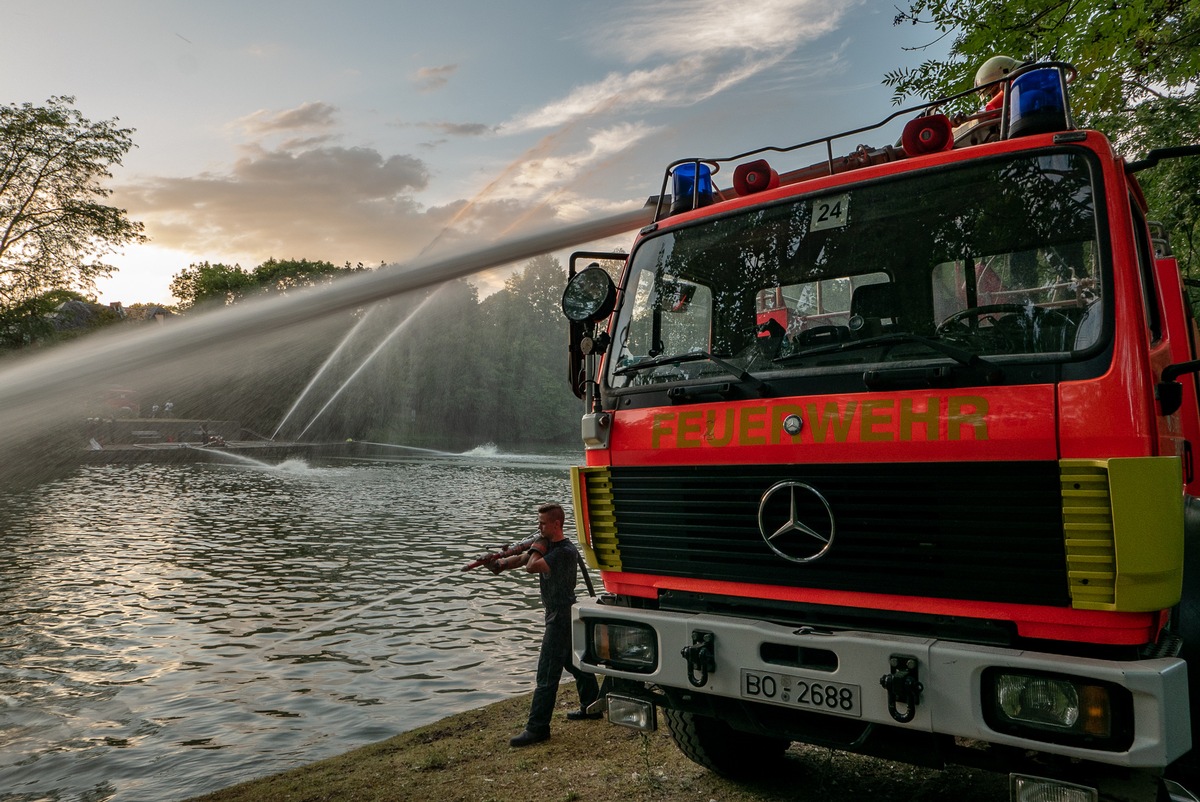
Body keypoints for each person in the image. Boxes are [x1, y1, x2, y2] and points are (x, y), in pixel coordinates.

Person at [487, 502, 600, 747]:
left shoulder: (565, 552)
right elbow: (521, 558)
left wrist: (536, 546)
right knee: (574, 663)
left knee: (546, 674)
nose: (538, 528)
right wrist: (499, 565)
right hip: (560, 614)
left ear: (556, 524)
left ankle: (538, 728)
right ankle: (592, 706)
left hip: (560, 616)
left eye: (542, 524)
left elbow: (532, 565)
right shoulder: (549, 545)